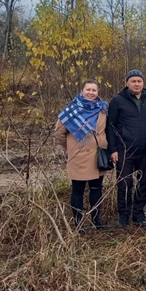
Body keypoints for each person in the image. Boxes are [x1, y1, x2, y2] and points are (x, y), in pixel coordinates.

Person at [107, 69, 146, 228]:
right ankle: (124, 215)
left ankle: (139, 213)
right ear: (127, 83)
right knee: (124, 183)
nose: (136, 84)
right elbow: (111, 127)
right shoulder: (117, 101)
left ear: (143, 83)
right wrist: (113, 149)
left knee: (142, 182)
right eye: (133, 81)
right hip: (125, 149)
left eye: (139, 81)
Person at [56, 79, 109, 234]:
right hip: (78, 157)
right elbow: (59, 133)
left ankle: (96, 219)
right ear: (82, 91)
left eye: (94, 90)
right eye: (88, 90)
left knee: (96, 188)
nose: (91, 93)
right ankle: (78, 223)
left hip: (98, 157)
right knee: (78, 191)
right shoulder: (71, 111)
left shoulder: (103, 109)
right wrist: (73, 148)